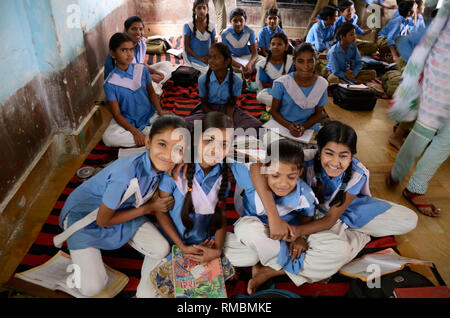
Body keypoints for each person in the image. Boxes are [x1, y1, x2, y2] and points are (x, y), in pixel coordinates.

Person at [252, 121, 418, 266]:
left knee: (409, 219)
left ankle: (346, 234)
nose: (335, 162)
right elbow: (256, 166)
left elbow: (330, 219)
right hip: (308, 214)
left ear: (352, 155)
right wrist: (274, 218)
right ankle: (349, 239)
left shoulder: (357, 173)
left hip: (343, 211)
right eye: (329, 153)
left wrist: (296, 233)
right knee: (337, 248)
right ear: (319, 150)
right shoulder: (305, 159)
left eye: (343, 156)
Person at [56, 115, 187, 297]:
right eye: (162, 144)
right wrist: (148, 208)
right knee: (92, 288)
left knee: (161, 249)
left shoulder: (165, 166)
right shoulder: (124, 175)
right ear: (148, 142)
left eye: (177, 149)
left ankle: (142, 286)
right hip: (85, 217)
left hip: (123, 210)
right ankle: (77, 270)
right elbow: (103, 220)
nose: (168, 154)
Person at [224, 139, 352, 294]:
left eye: (291, 177)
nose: (283, 183)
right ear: (265, 169)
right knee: (247, 230)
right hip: (257, 231)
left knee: (339, 250)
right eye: (275, 175)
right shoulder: (250, 178)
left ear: (300, 173)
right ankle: (297, 267)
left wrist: (300, 239)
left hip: (286, 238)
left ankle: (265, 268)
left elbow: (305, 222)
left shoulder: (305, 196)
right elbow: (228, 153)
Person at [150, 112, 233, 296]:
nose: (215, 149)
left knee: (205, 289)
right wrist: (181, 246)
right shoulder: (176, 167)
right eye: (209, 140)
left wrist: (217, 250)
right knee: (150, 292)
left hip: (204, 243)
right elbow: (161, 212)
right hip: (172, 242)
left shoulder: (223, 174)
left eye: (224, 144)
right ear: (195, 140)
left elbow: (222, 214)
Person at [386, 5, 449, 217]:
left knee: (446, 141)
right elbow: (408, 45)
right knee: (423, 133)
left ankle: (415, 188)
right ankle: (398, 171)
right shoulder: (445, 19)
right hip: (439, 85)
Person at [102, 33, 170, 148]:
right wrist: (134, 131)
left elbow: (151, 93)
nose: (129, 54)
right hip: (129, 121)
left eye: (131, 50)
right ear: (113, 54)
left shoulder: (141, 70)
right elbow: (117, 114)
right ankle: (151, 138)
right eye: (124, 50)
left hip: (151, 116)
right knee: (108, 138)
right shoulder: (110, 83)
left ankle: (148, 138)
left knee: (176, 125)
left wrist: (160, 112)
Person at [184, 43, 262, 131]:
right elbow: (204, 104)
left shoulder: (237, 80)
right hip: (208, 110)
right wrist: (217, 118)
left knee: (256, 126)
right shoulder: (203, 79)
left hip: (229, 110)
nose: (211, 61)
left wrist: (228, 121)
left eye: (216, 57)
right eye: (210, 57)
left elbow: (231, 105)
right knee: (187, 125)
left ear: (227, 61)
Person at [268, 43, 329, 138]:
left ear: (316, 61)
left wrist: (303, 127)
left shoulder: (321, 84)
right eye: (300, 61)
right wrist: (289, 126)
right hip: (282, 125)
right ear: (294, 62)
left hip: (308, 127)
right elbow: (274, 111)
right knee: (275, 148)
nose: (306, 66)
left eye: (310, 61)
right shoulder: (282, 83)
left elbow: (318, 114)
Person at [104, 16, 173, 95]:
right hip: (123, 81)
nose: (138, 32)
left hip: (137, 74)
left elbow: (141, 63)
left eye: (140, 29)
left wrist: (155, 72)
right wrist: (150, 77)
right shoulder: (122, 48)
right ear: (126, 31)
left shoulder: (141, 42)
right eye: (134, 29)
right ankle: (159, 86)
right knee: (150, 87)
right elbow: (127, 75)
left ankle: (159, 84)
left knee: (166, 64)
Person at [255, 32, 294, 110]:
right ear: (269, 46)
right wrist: (278, 88)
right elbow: (264, 84)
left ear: (286, 47)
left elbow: (292, 81)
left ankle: (278, 104)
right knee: (260, 96)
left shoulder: (291, 61)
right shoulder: (263, 64)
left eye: (279, 44)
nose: (276, 47)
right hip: (271, 90)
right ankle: (286, 104)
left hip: (288, 90)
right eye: (273, 44)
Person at [221, 8, 261, 78]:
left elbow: (255, 53)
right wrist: (240, 66)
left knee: (265, 63)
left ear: (245, 21)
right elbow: (226, 56)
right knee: (223, 64)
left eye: (241, 20)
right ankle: (249, 71)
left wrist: (249, 64)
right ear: (230, 21)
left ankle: (247, 70)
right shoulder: (225, 34)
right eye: (235, 21)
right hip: (233, 59)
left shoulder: (250, 32)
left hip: (248, 57)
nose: (238, 23)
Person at [183, 0, 216, 74]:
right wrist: (200, 59)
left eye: (204, 8)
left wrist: (209, 56)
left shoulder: (211, 26)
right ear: (194, 11)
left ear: (208, 10)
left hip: (207, 58)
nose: (202, 11)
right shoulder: (189, 26)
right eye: (199, 8)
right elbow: (187, 47)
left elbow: (213, 45)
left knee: (219, 70)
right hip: (194, 58)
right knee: (207, 72)